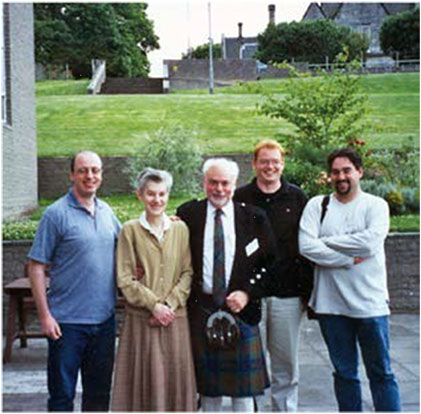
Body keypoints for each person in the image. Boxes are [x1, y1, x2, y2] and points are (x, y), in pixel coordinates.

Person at [298, 147, 401, 412]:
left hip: (370, 304)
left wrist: (326, 242)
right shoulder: (316, 206)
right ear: (329, 175)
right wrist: (346, 258)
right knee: (344, 374)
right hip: (330, 306)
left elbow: (369, 244)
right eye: (335, 172)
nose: (341, 176)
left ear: (359, 172)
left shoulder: (376, 206)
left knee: (381, 373)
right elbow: (306, 247)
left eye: (347, 170)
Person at [177, 157, 278, 412]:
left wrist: (247, 292)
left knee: (243, 395)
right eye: (213, 182)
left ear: (234, 185)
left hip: (241, 312)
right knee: (208, 392)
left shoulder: (254, 217)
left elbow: (270, 264)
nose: (219, 189)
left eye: (225, 183)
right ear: (204, 183)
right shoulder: (188, 214)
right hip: (202, 310)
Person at [27, 151, 121, 412]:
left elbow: (131, 247)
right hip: (66, 324)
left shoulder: (107, 212)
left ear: (101, 175)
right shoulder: (55, 214)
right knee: (61, 397)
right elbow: (36, 266)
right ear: (72, 175)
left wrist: (165, 224)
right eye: (83, 170)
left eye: (95, 170)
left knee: (99, 397)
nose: (89, 176)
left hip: (103, 323)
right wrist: (45, 316)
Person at [112, 167, 197, 412]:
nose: (156, 200)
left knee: (174, 386)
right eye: (151, 194)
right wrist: (154, 305)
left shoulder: (180, 229)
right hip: (142, 321)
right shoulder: (130, 230)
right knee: (142, 387)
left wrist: (169, 305)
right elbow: (125, 278)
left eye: (162, 194)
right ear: (140, 195)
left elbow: (187, 272)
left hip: (175, 320)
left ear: (168, 196)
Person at [234, 139, 309, 412]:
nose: (270, 166)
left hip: (287, 294)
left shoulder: (297, 197)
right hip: (248, 295)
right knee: (248, 363)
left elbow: (309, 242)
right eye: (264, 161)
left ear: (283, 164)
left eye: (275, 161)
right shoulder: (239, 197)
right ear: (254, 164)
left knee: (285, 365)